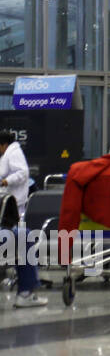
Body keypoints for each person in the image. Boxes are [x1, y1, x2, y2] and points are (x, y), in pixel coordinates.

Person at [0, 130, 46, 307]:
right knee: (24, 236)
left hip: (12, 204)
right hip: (9, 210)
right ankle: (26, 292)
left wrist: (5, 182)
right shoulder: (11, 154)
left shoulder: (13, 153)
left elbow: (22, 173)